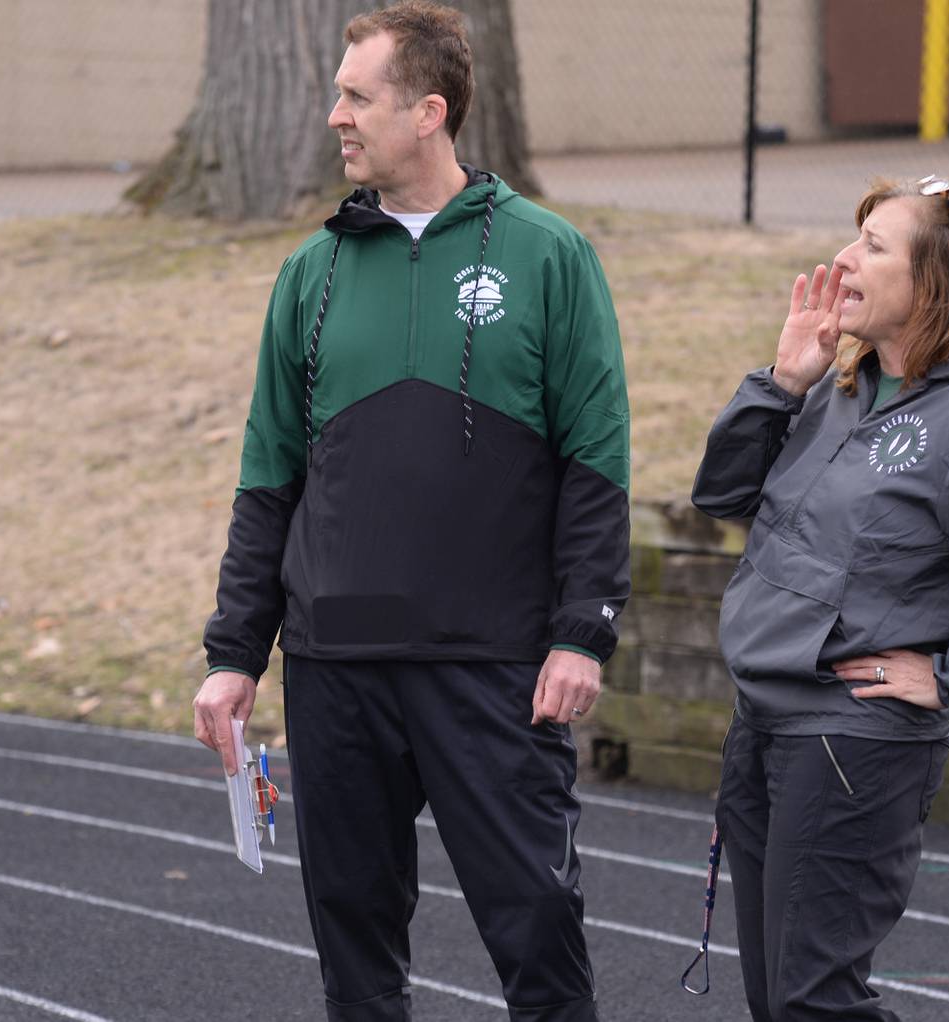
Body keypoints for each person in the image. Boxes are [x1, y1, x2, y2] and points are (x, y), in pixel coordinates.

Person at [191, 4, 630, 1020]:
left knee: (538, 932)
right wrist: (234, 650)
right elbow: (270, 477)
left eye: (356, 95)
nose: (334, 114)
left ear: (428, 111)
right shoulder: (312, 270)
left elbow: (595, 460)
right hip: (338, 664)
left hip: (493, 663)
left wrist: (582, 630)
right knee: (355, 951)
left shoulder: (550, 256)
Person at [691, 176, 949, 1021]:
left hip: (852, 742)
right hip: (761, 725)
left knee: (813, 1003)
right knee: (779, 1001)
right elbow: (724, 496)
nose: (844, 260)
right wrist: (782, 380)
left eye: (875, 247)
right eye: (854, 237)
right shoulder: (841, 388)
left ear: (936, 284)